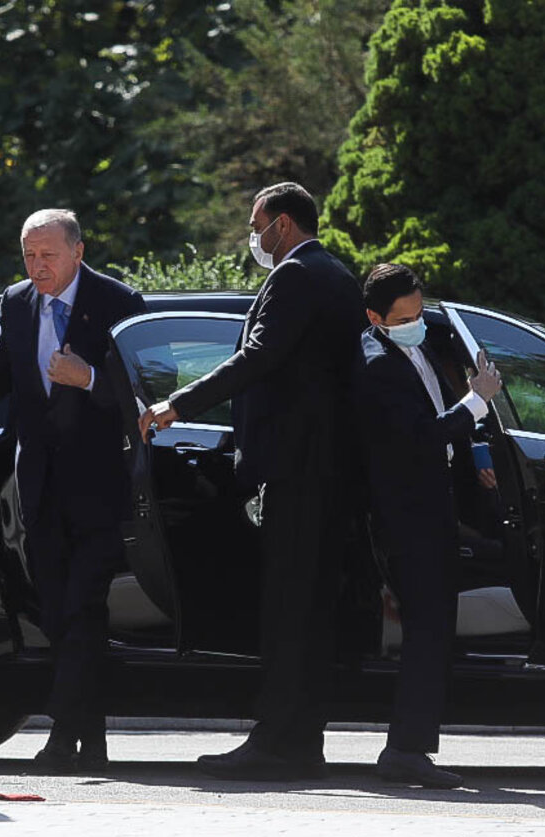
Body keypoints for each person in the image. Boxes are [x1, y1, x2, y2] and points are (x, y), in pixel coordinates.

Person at [140, 182, 366, 780]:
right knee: (311, 609)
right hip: (329, 469)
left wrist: (178, 404)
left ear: (283, 225)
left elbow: (258, 358)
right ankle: (302, 739)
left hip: (296, 469)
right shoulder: (340, 276)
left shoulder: (295, 277)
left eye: (256, 225)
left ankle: (277, 742)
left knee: (288, 609)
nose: (253, 238)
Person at [0, 209, 145, 771]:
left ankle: (68, 733)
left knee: (85, 603)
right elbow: (2, 367)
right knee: (59, 608)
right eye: (29, 256)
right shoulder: (16, 302)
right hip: (38, 480)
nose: (37, 267)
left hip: (99, 481)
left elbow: (145, 390)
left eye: (48, 256)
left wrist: (86, 378)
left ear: (78, 252)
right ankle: (89, 735)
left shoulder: (118, 302)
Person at [356, 264, 502, 789]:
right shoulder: (376, 366)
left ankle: (411, 747)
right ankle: (405, 750)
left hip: (435, 509)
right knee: (426, 631)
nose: (417, 322)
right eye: (405, 317)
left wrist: (480, 443)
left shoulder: (417, 346)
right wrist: (479, 397)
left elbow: (445, 414)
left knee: (435, 629)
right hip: (406, 519)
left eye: (419, 311)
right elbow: (421, 438)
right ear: (375, 318)